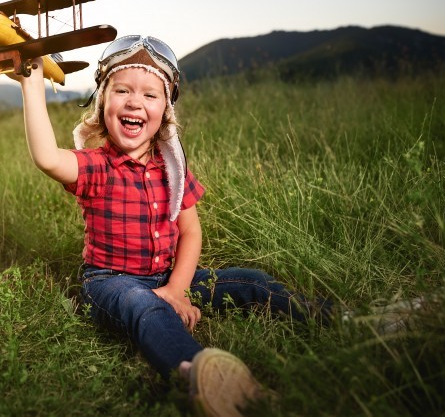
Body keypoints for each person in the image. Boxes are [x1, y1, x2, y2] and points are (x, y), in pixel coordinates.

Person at [17, 36, 332, 416]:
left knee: (249, 280)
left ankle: (330, 315)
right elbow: (48, 158)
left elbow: (191, 232)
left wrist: (178, 289)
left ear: (165, 110)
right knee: (142, 305)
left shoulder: (173, 171)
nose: (135, 102)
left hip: (167, 276)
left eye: (150, 95)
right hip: (110, 282)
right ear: (103, 104)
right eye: (122, 91)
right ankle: (196, 373)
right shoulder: (96, 166)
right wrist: (32, 83)